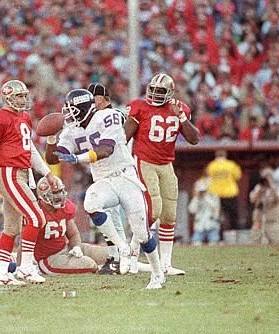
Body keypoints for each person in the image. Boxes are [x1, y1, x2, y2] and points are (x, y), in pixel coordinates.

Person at [46, 88, 164, 289]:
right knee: (91, 202)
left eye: (72, 109)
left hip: (125, 177)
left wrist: (78, 158)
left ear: (84, 108)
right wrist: (50, 138)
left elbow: (106, 149)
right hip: (104, 181)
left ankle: (158, 274)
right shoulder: (71, 130)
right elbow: (51, 158)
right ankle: (121, 246)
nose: (68, 114)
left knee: (142, 234)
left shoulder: (108, 116)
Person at [0, 79, 60, 286]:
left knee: (12, 227)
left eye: (25, 96)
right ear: (8, 97)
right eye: (19, 96)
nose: (24, 99)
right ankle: (26, 267)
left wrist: (47, 173)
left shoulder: (24, 117)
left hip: (23, 173)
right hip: (9, 173)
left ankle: (1, 274)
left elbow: (30, 149)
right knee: (36, 218)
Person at [125, 73, 200, 276]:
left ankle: (166, 264)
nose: (155, 94)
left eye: (160, 91)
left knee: (169, 214)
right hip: (144, 160)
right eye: (153, 90)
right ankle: (131, 256)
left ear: (169, 93)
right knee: (152, 210)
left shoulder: (180, 109)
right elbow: (124, 136)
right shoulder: (139, 107)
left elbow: (194, 139)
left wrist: (182, 117)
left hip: (167, 164)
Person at [86, 83, 128, 275]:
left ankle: (118, 256)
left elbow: (118, 118)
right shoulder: (97, 119)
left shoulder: (111, 115)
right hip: (108, 172)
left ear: (101, 99)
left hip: (118, 172)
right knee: (111, 216)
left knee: (113, 216)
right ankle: (121, 256)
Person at [206, 149, 242, 241]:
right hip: (230, 193)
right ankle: (234, 238)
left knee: (217, 218)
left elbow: (208, 177)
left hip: (216, 195)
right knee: (233, 216)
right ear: (225, 155)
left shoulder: (211, 165)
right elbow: (238, 176)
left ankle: (219, 238)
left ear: (216, 155)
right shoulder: (231, 165)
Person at [249, 169, 279, 245]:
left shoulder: (277, 188)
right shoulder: (258, 188)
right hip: (258, 220)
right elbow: (252, 200)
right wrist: (259, 191)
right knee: (255, 241)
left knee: (276, 242)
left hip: (272, 221)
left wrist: (272, 188)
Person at [188, 180, 221, 245]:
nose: (202, 192)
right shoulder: (196, 198)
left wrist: (205, 197)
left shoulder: (213, 196)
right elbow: (191, 210)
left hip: (212, 225)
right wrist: (197, 198)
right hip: (200, 226)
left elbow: (214, 206)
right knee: (196, 243)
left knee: (213, 244)